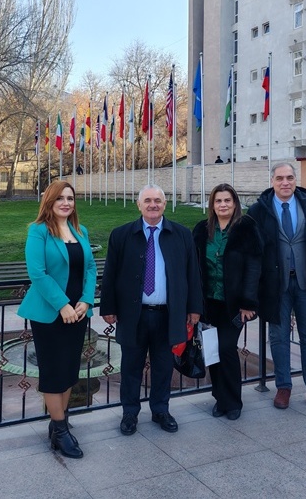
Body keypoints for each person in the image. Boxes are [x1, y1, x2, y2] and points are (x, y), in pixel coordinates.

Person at [101, 185, 202, 435]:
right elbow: (110, 273)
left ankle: (160, 410)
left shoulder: (181, 234)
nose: (153, 205)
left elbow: (193, 273)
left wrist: (194, 308)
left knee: (163, 366)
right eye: (147, 200)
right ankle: (129, 413)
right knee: (131, 366)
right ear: (139, 205)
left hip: (168, 314)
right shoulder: (121, 235)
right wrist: (108, 307)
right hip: (133, 315)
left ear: (165, 204)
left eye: (157, 200)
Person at [247, 162, 306, 413]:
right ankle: (283, 387)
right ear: (272, 181)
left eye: (289, 177)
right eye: (279, 178)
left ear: (295, 180)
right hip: (275, 285)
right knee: (278, 337)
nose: (285, 182)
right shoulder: (258, 210)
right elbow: (251, 251)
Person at [17, 180, 97, 459]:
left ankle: (58, 422)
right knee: (53, 372)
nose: (66, 203)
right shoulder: (38, 231)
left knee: (69, 370)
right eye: (60, 198)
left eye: (70, 198)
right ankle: (61, 432)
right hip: (50, 314)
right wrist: (62, 305)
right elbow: (37, 273)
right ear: (49, 201)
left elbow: (90, 267)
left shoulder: (80, 231)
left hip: (78, 313)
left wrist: (86, 300)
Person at [193, 184, 262, 420]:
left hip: (234, 305)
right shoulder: (202, 230)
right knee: (212, 351)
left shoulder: (246, 227)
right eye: (218, 201)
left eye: (227, 200)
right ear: (212, 205)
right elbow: (193, 266)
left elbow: (254, 267)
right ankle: (219, 398)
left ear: (235, 203)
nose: (223, 205)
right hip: (208, 304)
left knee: (226, 349)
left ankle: (233, 402)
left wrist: (248, 303)